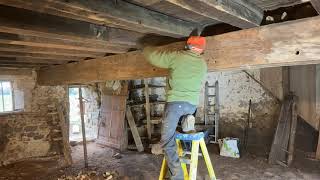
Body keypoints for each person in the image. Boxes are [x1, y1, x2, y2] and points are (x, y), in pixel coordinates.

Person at [143, 36, 207, 180]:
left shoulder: (178, 56)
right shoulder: (203, 63)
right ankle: (187, 123)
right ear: (202, 49)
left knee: (166, 140)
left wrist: (145, 47)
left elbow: (155, 58)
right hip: (192, 105)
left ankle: (177, 176)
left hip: (175, 103)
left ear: (188, 45)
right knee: (181, 123)